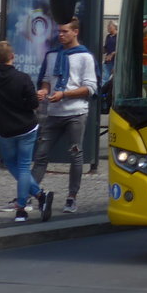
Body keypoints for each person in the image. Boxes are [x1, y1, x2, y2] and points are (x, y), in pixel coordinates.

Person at [32, 17, 98, 217]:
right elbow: (45, 80)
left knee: (75, 154)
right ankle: (29, 193)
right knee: (41, 154)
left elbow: (91, 88)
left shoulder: (85, 57)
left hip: (75, 112)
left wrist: (65, 94)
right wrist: (44, 91)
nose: (61, 35)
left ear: (75, 32)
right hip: (53, 112)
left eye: (65, 32)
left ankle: (72, 197)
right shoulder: (52, 55)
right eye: (59, 32)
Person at [0, 42, 41, 222]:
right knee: (23, 166)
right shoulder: (22, 78)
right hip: (26, 127)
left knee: (11, 163)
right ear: (12, 56)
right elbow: (33, 104)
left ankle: (39, 196)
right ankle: (23, 207)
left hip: (5, 129)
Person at [102, 20, 117, 86]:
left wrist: (112, 54)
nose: (108, 27)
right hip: (108, 61)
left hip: (115, 61)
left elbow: (120, 49)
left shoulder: (118, 36)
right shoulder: (108, 36)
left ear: (115, 27)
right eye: (107, 26)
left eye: (109, 26)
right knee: (105, 78)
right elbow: (106, 48)